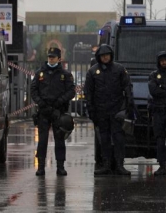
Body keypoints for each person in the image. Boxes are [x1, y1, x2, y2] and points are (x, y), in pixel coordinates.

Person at [84, 44, 134, 176]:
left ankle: (119, 165)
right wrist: (91, 110)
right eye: (102, 55)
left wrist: (129, 104)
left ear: (111, 55)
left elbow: (127, 87)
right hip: (100, 111)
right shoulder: (93, 71)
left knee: (119, 139)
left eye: (107, 55)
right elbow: (88, 93)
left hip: (116, 110)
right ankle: (106, 165)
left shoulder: (119, 69)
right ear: (98, 57)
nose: (105, 57)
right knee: (104, 139)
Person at [30, 47, 76, 177]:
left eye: (53, 57)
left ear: (59, 58)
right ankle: (41, 167)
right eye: (49, 57)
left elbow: (71, 91)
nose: (51, 59)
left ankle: (60, 167)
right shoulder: (40, 73)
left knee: (59, 140)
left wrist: (59, 101)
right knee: (42, 140)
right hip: (44, 111)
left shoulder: (65, 75)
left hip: (58, 111)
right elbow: (33, 90)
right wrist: (41, 103)